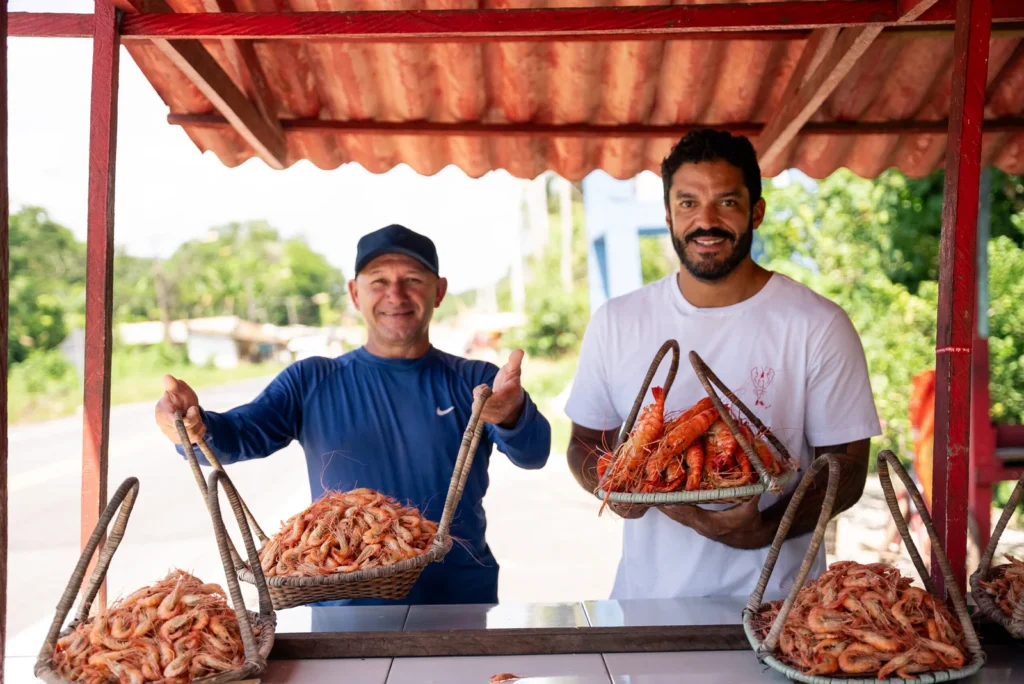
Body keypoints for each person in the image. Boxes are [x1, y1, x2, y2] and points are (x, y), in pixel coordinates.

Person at [155, 224, 552, 605]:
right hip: (344, 607)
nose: (395, 294)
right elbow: (237, 435)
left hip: (460, 597)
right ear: (354, 293)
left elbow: (534, 454)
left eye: (412, 279)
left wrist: (511, 411)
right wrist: (189, 424)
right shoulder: (310, 379)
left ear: (439, 291)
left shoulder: (477, 381)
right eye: (378, 280)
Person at [564, 129, 881, 601]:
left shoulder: (818, 324)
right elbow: (584, 443)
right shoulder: (617, 321)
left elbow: (849, 469)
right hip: (647, 604)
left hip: (780, 608)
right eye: (688, 203)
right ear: (669, 214)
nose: (705, 221)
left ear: (756, 211)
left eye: (726, 202)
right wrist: (613, 489)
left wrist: (763, 529)